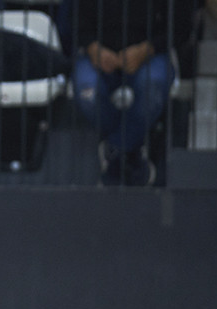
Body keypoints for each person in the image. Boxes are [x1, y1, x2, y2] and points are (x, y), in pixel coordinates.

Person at [70, 0, 194, 185]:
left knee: (152, 88)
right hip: (96, 53)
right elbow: (72, 19)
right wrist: (92, 47)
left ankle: (115, 149)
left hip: (152, 53)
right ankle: (132, 148)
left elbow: (181, 27)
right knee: (87, 93)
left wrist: (147, 49)